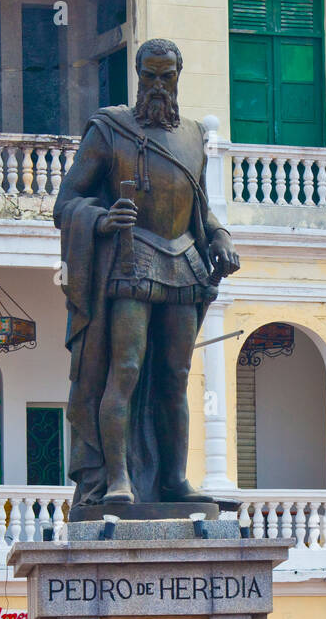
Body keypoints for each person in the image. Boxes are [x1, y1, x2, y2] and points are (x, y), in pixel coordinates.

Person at [54, 38, 240, 509]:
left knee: (175, 376)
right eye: (150, 76)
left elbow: (199, 208)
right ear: (138, 76)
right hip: (130, 259)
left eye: (167, 75)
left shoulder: (195, 135)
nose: (158, 85)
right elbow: (66, 202)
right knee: (127, 369)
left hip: (183, 261)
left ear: (179, 74)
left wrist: (220, 236)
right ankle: (117, 479)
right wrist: (98, 219)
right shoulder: (109, 129)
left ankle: (175, 479)